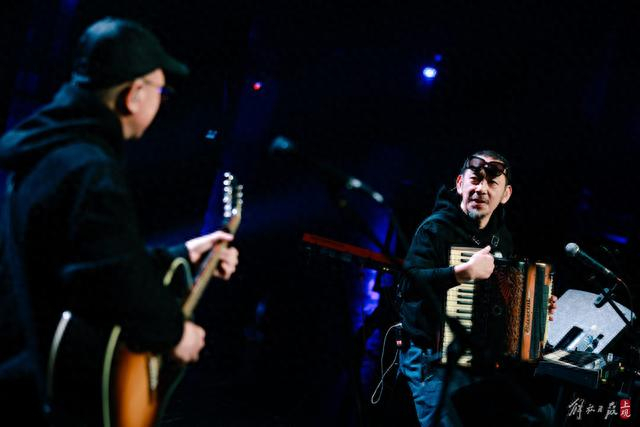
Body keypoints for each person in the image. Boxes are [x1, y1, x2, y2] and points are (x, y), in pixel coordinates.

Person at [0, 17, 238, 425]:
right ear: (134, 95)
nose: (161, 102)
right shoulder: (92, 168)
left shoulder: (50, 148)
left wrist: (181, 254)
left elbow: (92, 256)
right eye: (160, 91)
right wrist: (175, 333)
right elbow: (112, 279)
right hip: (40, 391)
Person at [397, 150, 558, 427]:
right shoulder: (436, 228)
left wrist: (535, 308)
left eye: (492, 183)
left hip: (476, 361)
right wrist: (462, 272)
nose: (481, 188)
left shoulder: (501, 237)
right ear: (460, 183)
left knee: (541, 414)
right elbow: (408, 284)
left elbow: (500, 300)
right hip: (429, 358)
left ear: (505, 194)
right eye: (475, 179)